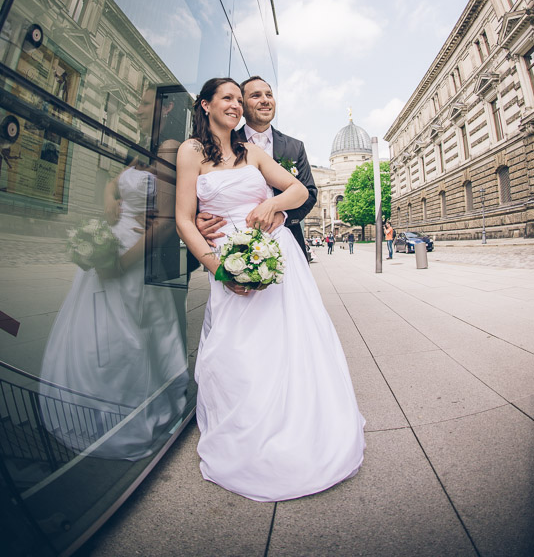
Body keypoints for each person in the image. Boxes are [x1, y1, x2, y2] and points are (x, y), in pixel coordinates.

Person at [175, 77, 365, 502]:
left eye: (239, 101)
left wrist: (271, 204)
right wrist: (218, 268)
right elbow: (185, 219)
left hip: (277, 259)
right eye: (229, 98)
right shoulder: (190, 152)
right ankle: (247, 427)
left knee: (288, 343)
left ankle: (296, 423)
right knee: (237, 347)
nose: (238, 106)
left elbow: (298, 190)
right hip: (227, 260)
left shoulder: (253, 151)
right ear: (205, 105)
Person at [39, 86, 189, 460]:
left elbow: (167, 222)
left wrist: (121, 264)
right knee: (93, 332)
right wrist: (111, 200)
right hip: (113, 243)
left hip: (135, 258)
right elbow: (113, 181)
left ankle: (125, 419)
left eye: (143, 102)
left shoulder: (170, 147)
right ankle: (86, 412)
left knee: (128, 339)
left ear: (165, 106)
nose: (137, 109)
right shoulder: (139, 147)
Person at [196, 76, 317, 261]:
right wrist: (199, 218)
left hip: (287, 242)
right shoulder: (223, 143)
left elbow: (309, 193)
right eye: (256, 95)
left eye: (269, 94)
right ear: (242, 107)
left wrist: (281, 215)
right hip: (234, 248)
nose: (265, 100)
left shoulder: (295, 147)